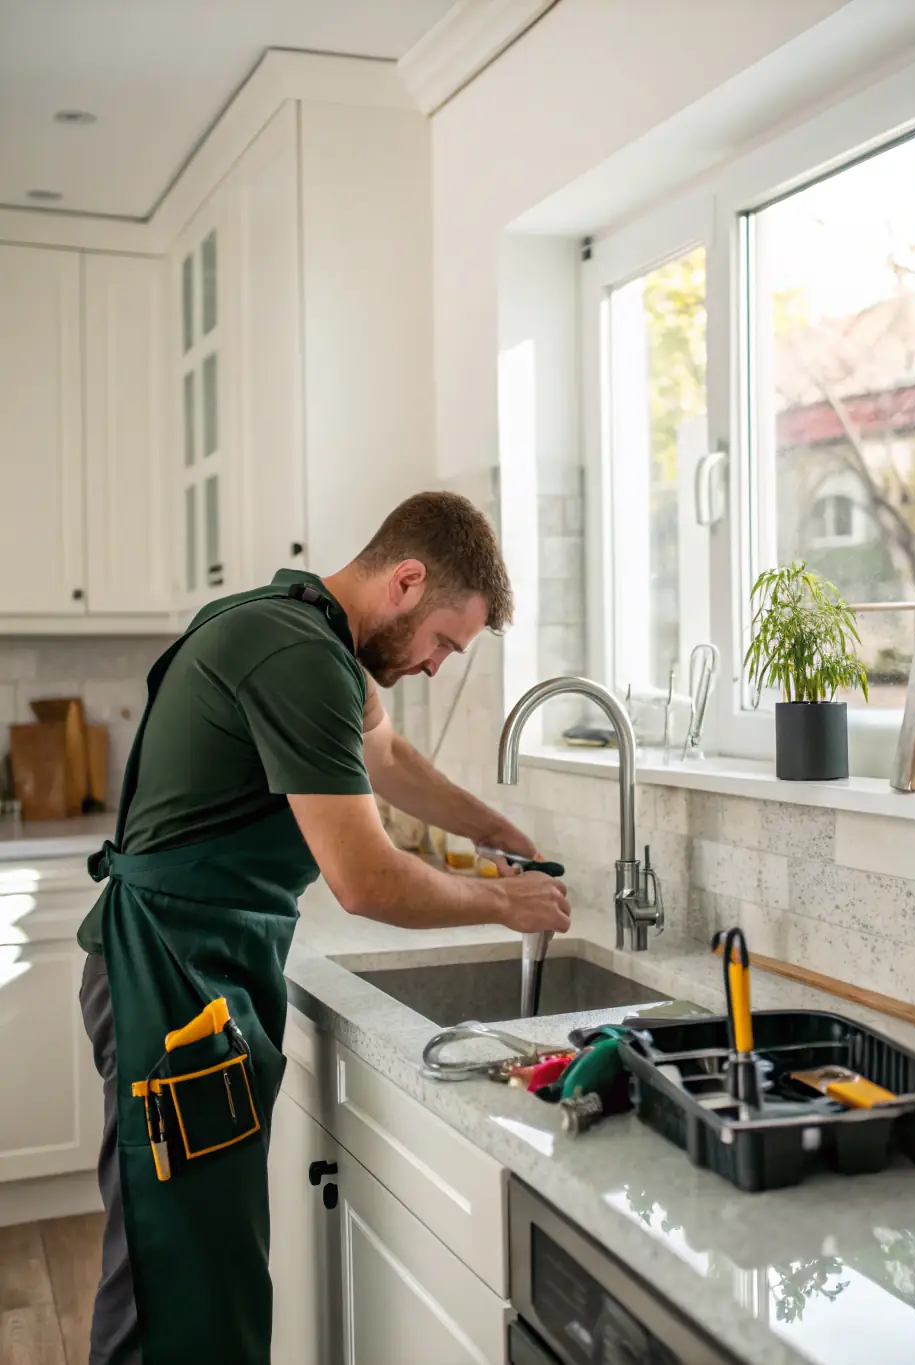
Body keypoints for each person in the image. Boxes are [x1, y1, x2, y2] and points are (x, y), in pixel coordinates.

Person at [77, 491, 570, 1365]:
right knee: (175, 1289)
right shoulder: (298, 655)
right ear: (406, 581)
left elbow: (388, 759)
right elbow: (365, 879)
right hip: (166, 977)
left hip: (200, 975)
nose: (436, 665)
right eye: (444, 642)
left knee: (213, 1275)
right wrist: (505, 903)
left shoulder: (311, 631)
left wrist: (493, 831)